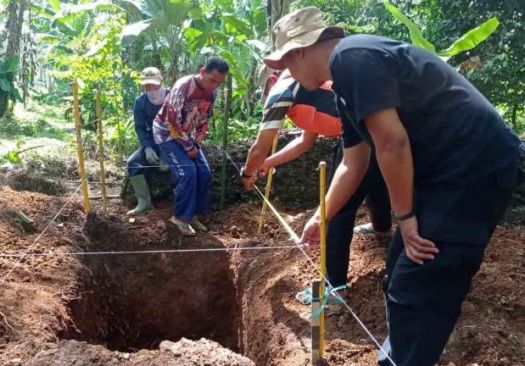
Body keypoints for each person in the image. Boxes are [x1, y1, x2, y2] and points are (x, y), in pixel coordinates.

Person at [264, 6, 524, 365]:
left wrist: (406, 216)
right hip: (445, 176)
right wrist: (322, 216)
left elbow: (392, 143)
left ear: (299, 50)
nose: (288, 73)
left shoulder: (353, 59)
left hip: (470, 172)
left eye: (286, 64)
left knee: (419, 286)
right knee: (400, 276)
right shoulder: (345, 84)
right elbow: (353, 165)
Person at [241, 67, 392, 303]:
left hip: (360, 135)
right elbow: (304, 141)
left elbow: (259, 147)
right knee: (374, 181)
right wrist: (269, 163)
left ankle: (334, 287)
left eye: (265, 90)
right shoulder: (309, 90)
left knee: (336, 208)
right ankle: (381, 228)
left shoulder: (282, 89)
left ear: (272, 80)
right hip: (379, 130)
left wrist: (247, 172)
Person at [153, 56, 229, 237]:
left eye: (219, 83)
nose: (214, 86)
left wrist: (197, 143)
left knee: (204, 173)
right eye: (212, 80)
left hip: (188, 134)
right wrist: (188, 147)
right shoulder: (184, 86)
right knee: (187, 172)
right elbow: (171, 121)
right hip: (167, 134)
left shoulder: (212, 93)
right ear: (202, 72)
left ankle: (192, 214)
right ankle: (179, 217)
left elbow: (204, 120)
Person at [126, 67, 170, 216]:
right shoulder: (140, 102)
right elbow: (139, 128)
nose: (150, 88)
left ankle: (178, 205)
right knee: (133, 162)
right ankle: (144, 202)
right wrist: (147, 148)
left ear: (161, 82)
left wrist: (166, 151)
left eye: (153, 84)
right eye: (147, 85)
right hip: (152, 140)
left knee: (174, 167)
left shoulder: (171, 96)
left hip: (172, 140)